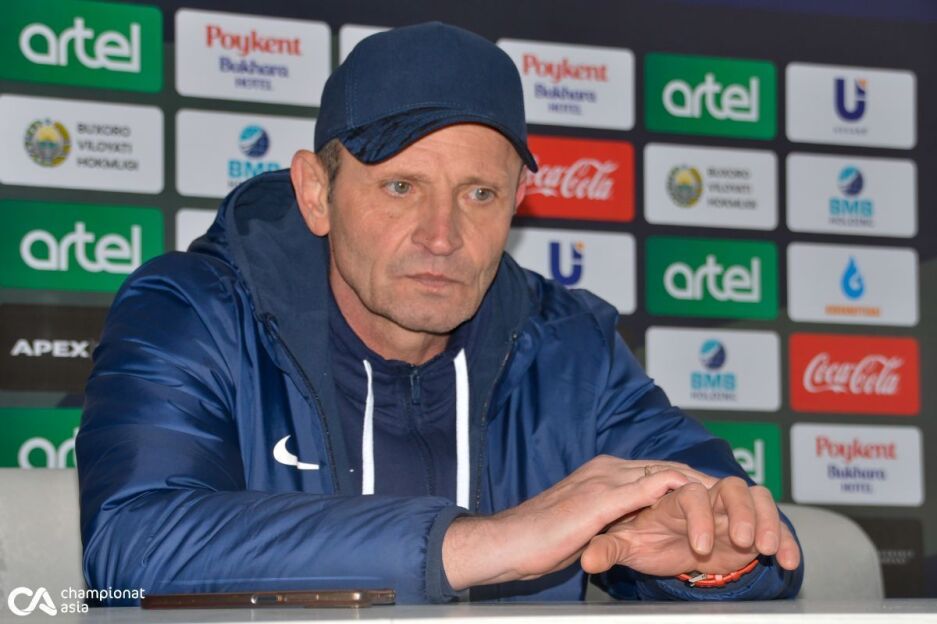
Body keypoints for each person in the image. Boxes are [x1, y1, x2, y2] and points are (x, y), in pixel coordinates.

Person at [76, 21, 803, 604]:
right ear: (316, 193)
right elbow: (132, 547)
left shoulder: (569, 347)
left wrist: (713, 556)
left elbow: (758, 542)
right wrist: (483, 543)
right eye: (400, 187)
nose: (441, 236)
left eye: (478, 194)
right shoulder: (194, 310)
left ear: (517, 201)